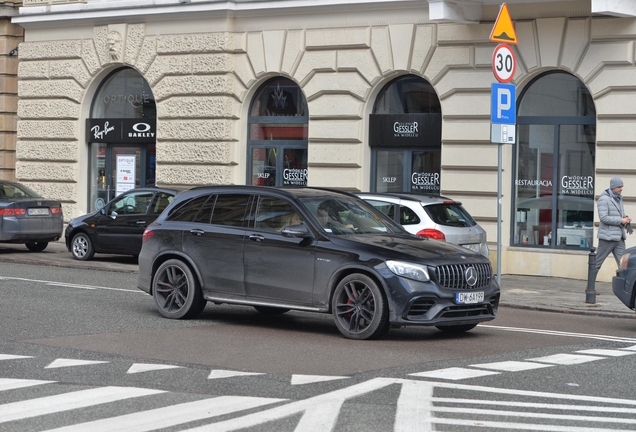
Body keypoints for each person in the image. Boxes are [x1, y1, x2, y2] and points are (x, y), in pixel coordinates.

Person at [594, 177, 633, 293]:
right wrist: (621, 220)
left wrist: (625, 218)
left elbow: (618, 215)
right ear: (613, 187)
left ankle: (627, 290)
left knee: (624, 265)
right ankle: (590, 287)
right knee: (596, 264)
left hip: (619, 237)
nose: (621, 189)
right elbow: (604, 218)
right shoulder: (603, 199)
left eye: (622, 186)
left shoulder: (619, 199)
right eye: (619, 187)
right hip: (607, 237)